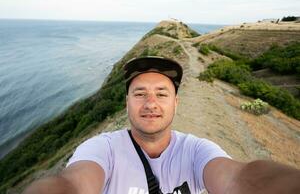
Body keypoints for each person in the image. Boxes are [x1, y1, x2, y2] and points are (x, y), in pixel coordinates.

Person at [24, 56, 300, 194]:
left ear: (177, 103)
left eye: (162, 94)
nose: (151, 103)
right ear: (127, 103)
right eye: (140, 93)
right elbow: (72, 183)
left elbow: (238, 179)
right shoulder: (102, 148)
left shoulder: (197, 150)